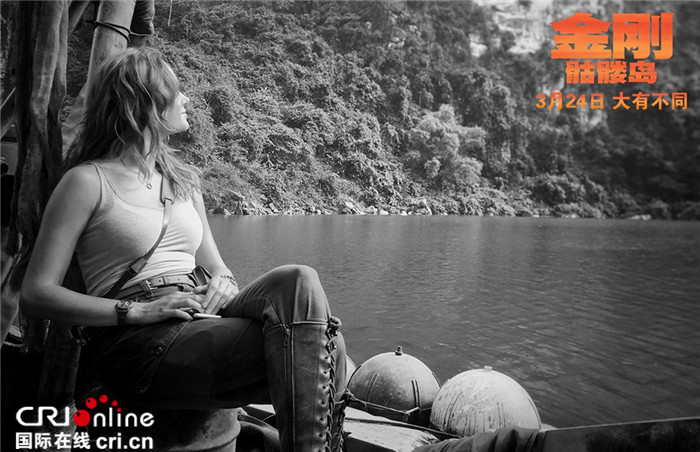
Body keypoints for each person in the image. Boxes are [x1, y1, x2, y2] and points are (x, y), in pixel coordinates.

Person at [20, 47, 347, 451]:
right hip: (138, 337)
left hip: (196, 311)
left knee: (299, 282)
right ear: (142, 104)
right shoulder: (87, 182)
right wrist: (136, 311)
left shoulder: (183, 182)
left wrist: (224, 283)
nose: (186, 98)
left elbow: (217, 267)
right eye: (175, 92)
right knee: (328, 349)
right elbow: (36, 293)